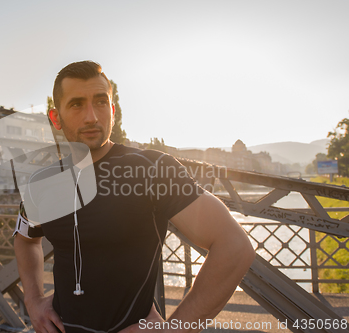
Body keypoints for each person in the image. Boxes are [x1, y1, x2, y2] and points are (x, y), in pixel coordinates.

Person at [13, 61, 255, 333]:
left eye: (101, 102)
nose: (92, 116)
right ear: (56, 118)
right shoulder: (41, 182)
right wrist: (33, 300)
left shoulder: (152, 169)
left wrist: (173, 330)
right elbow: (26, 240)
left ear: (112, 110)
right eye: (77, 104)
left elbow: (234, 246)